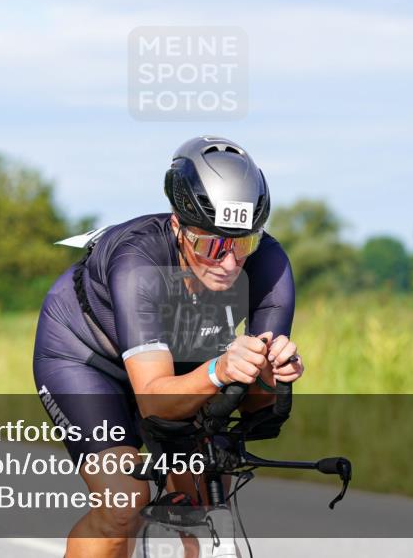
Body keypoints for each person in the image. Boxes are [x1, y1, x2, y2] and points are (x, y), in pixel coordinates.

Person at [33, 135, 304, 558]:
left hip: (182, 359)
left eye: (242, 243)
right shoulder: (137, 262)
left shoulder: (270, 264)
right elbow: (156, 404)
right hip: (86, 356)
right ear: (179, 227)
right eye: (212, 244)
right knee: (123, 503)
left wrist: (270, 375)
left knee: (204, 504)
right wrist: (220, 371)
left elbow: (256, 410)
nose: (229, 264)